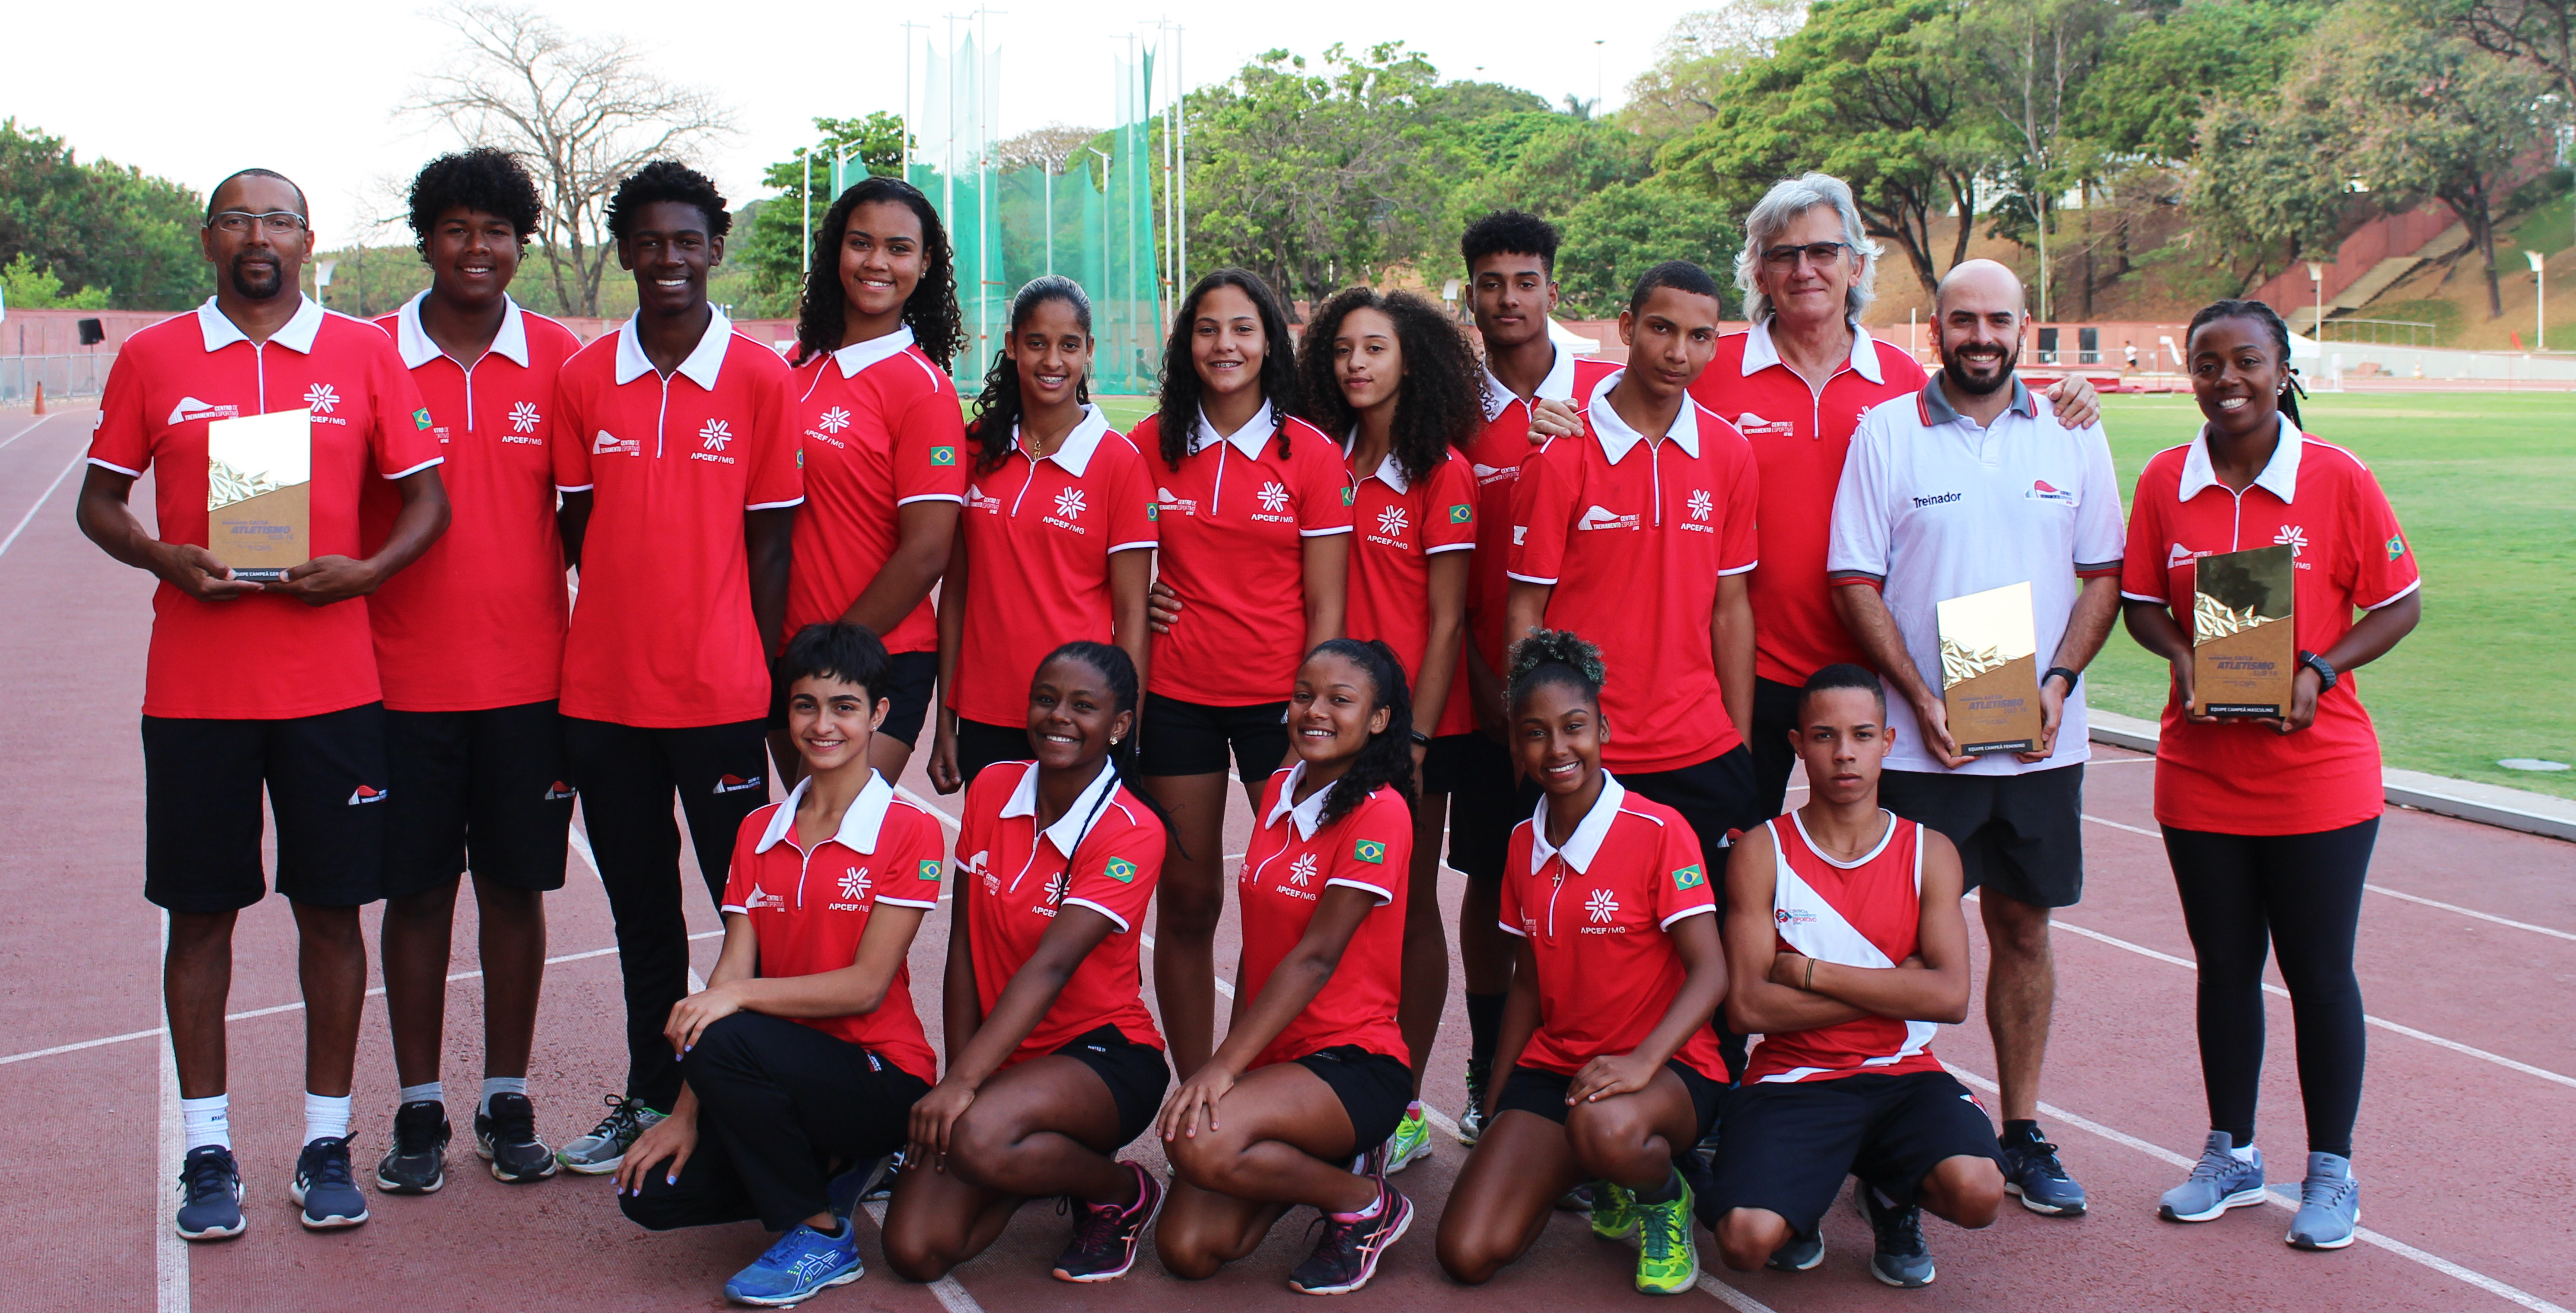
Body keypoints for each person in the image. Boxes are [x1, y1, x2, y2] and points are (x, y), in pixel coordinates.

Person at [77, 167, 450, 1237]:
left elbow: (428, 496)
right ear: (208, 241)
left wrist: (367, 571)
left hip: (331, 687)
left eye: (277, 220)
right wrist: (160, 555)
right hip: (196, 688)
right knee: (200, 916)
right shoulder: (155, 358)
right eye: (237, 219)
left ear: (307, 239)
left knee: (332, 912)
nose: (258, 236)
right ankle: (208, 1151)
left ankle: (325, 1140)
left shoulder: (363, 354)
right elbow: (99, 502)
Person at [1826, 257, 2124, 1220]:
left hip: (2039, 737)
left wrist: (2056, 684)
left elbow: (2102, 574)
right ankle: (1888, 1130)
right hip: (1925, 743)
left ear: (2023, 327)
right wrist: (1917, 697)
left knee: (2023, 928)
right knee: (1904, 938)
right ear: (1935, 329)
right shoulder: (1885, 433)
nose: (1980, 335)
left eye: (1997, 319)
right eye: (1963, 319)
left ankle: (2022, 1128)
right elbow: (1852, 580)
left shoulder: (2074, 431)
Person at [2120, 300, 2422, 1252]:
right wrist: (2179, 658)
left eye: (2245, 360)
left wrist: (2318, 669)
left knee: (2317, 971)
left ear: (2281, 368)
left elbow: (2399, 601)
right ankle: (2231, 1153)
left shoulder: (2335, 476)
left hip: (2316, 773)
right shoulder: (2166, 480)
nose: (2226, 380)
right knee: (2223, 969)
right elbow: (2138, 604)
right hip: (2198, 770)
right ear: (2191, 376)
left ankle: (2329, 1170)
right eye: (2206, 364)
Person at [1698, 174, 2100, 824]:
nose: (1804, 269)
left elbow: (1989, 394)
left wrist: (2072, 394)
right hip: (1749, 670)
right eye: (1783, 254)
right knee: (1735, 865)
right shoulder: (1708, 373)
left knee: (1877, 883)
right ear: (1759, 271)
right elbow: (1622, 406)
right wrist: (1559, 412)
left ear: (1855, 263)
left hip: (1882, 680)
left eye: (1823, 251)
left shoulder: (1905, 381)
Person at [550, 161, 804, 1174]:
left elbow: (772, 544)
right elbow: (577, 530)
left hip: (719, 697)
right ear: (624, 252)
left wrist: (760, 663)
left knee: (755, 910)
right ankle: (650, 1092)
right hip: (605, 699)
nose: (668, 260)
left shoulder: (757, 376)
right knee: (642, 915)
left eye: (686, 241)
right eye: (648, 242)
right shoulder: (581, 377)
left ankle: (775, 1099)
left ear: (715, 247)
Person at [364, 147, 582, 1196]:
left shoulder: (563, 359)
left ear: (520, 243)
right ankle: (416, 1103)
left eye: (496, 230)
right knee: (414, 892)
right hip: (394, 682)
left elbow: (593, 518)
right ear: (427, 240)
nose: (477, 248)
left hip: (531, 680)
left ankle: (506, 1091)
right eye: (456, 228)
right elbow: (269, 502)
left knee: (514, 887)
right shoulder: (359, 356)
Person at [613, 622, 944, 1306]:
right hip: (781, 1072)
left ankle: (822, 1234)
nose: (822, 725)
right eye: (804, 705)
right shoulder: (756, 828)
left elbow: (864, 986)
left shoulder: (906, 827)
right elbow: (732, 968)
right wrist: (682, 1114)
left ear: (879, 713)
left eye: (844, 706)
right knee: (649, 1194)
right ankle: (832, 1165)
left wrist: (735, 1002)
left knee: (722, 1020)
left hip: (880, 1073)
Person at [1505, 259, 1760, 1078]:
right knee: (1579, 947)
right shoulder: (1563, 451)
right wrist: (1534, 735)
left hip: (1697, 748)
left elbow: (1730, 608)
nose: (1676, 350)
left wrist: (1738, 743)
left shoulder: (1725, 454)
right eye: (1660, 328)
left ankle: (1703, 1124)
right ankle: (1557, 1111)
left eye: (1697, 335)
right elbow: (1524, 614)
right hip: (1589, 753)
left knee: (1711, 943)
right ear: (1625, 326)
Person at [1435, 630, 1730, 1296]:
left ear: (1602, 726)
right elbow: (1528, 988)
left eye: (1573, 727)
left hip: (1667, 1070)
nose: (1556, 748)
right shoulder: (1521, 842)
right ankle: (1598, 1171)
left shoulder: (1659, 830)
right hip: (1559, 1069)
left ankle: (1659, 1195)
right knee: (1465, 1251)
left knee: (1606, 1125)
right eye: (1534, 733)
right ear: (1515, 743)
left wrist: (1639, 1062)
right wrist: (1498, 1099)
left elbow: (1712, 971)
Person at [884, 641, 1173, 1284]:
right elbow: (964, 947)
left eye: (1082, 705)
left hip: (1101, 1055)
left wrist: (962, 1090)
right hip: (1003, 1057)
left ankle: (1119, 1189)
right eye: (1045, 699)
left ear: (1118, 724)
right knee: (915, 1248)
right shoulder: (992, 786)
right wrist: (965, 1070)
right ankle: (1024, 1151)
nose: (1058, 716)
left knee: (974, 1136)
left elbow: (1049, 966)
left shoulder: (1131, 827)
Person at [1709, 664, 2004, 1289]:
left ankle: (1889, 1193)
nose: (1844, 752)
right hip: (1795, 1078)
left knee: (1978, 1192)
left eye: (1861, 734)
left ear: (1887, 742)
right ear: (1796, 744)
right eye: (1823, 736)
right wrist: (1897, 988)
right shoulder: (1763, 851)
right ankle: (1803, 1202)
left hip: (1902, 1074)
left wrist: (1810, 972)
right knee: (1744, 1240)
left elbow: (1949, 998)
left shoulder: (1930, 851)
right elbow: (1748, 1009)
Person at [1130, 269, 1353, 1079]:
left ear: (1269, 344)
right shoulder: (1146, 445)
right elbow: (1109, 567)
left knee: (1286, 904)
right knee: (1188, 902)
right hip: (1178, 701)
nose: (1224, 345)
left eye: (1242, 329)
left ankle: (1270, 1076)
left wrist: (1318, 716)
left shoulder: (1312, 454)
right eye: (1207, 329)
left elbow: (1327, 605)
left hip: (1279, 707)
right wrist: (1145, 594)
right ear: (1187, 344)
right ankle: (1196, 1090)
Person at [1155, 640, 1418, 1296]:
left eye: (1339, 699)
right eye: (1304, 694)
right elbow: (1263, 944)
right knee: (1189, 1247)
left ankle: (1364, 1200)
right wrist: (1240, 1060)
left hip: (1352, 1060)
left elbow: (1315, 955)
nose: (1314, 710)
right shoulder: (1279, 786)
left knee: (1201, 1145)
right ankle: (1322, 1157)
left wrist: (1222, 1066)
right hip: (1279, 1061)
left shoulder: (1381, 811)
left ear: (1378, 719)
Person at [1298, 285, 1480, 1172]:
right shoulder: (1319, 457)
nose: (1356, 365)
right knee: (1326, 905)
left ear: (1409, 356)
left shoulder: (1437, 470)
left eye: (1373, 347)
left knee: (1404, 910)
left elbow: (1446, 621)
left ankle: (1404, 1100)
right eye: (1341, 350)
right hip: (1331, 721)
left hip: (1408, 732)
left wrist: (1410, 745)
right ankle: (1337, 1078)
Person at [1449, 211, 1581, 1140]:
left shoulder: (1606, 395)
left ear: (1550, 289)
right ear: (1469, 295)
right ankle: (1485, 1068)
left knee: (1601, 899)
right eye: (1490, 282)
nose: (1507, 298)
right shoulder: (1449, 409)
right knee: (1495, 897)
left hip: (1601, 713)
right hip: (1486, 707)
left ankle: (1585, 1068)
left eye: (1523, 280)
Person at [929, 278, 1156, 793]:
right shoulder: (974, 449)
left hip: (1080, 716)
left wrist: (1126, 728)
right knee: (988, 870)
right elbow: (956, 592)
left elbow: (1132, 618)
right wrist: (947, 719)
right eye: (1037, 343)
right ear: (1011, 346)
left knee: (1073, 870)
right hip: (987, 709)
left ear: (1088, 351)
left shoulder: (1119, 463)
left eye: (1069, 345)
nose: (1052, 360)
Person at [781, 177, 968, 783]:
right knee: (799, 843)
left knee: (842, 843)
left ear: (924, 262)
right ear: (837, 249)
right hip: (787, 656)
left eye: (898, 248)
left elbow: (927, 551)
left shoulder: (923, 389)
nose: (877, 263)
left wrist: (837, 654)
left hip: (879, 657)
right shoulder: (794, 369)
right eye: (861, 243)